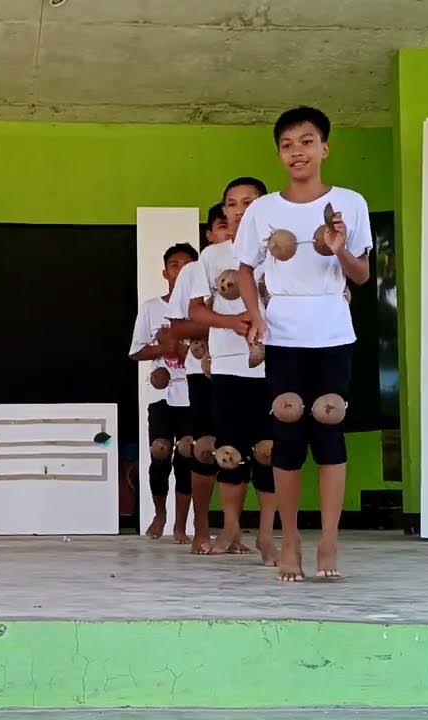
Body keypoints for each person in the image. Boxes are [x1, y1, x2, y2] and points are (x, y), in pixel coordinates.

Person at [236, 106, 372, 581]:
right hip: (285, 334)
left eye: (307, 142)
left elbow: (362, 274)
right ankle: (290, 539)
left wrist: (340, 249)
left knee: (329, 425)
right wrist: (256, 317)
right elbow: (246, 270)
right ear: (280, 154)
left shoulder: (350, 204)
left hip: (333, 331)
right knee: (289, 431)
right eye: (289, 145)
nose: (298, 152)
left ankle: (330, 542)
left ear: (325, 148)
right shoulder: (262, 210)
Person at [187, 177, 278, 563]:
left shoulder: (279, 250)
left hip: (276, 363)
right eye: (231, 204)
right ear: (223, 210)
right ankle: (231, 528)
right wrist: (232, 322)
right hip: (228, 364)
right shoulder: (211, 257)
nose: (239, 210)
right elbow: (196, 310)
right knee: (230, 451)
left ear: (265, 205)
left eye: (248, 202)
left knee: (270, 452)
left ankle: (269, 535)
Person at [165, 204, 225, 554]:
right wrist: (228, 324)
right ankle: (200, 528)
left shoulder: (264, 262)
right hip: (203, 371)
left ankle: (234, 531)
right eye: (222, 223)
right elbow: (179, 326)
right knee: (204, 448)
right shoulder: (195, 270)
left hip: (253, 369)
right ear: (209, 233)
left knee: (253, 449)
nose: (230, 228)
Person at [129, 243, 197, 542]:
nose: (180, 270)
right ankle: (160, 513)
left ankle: (181, 524)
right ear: (165, 272)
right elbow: (136, 352)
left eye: (187, 265)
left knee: (187, 453)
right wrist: (164, 349)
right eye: (174, 265)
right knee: (159, 451)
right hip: (162, 395)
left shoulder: (204, 310)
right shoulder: (152, 308)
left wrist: (187, 351)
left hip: (193, 392)